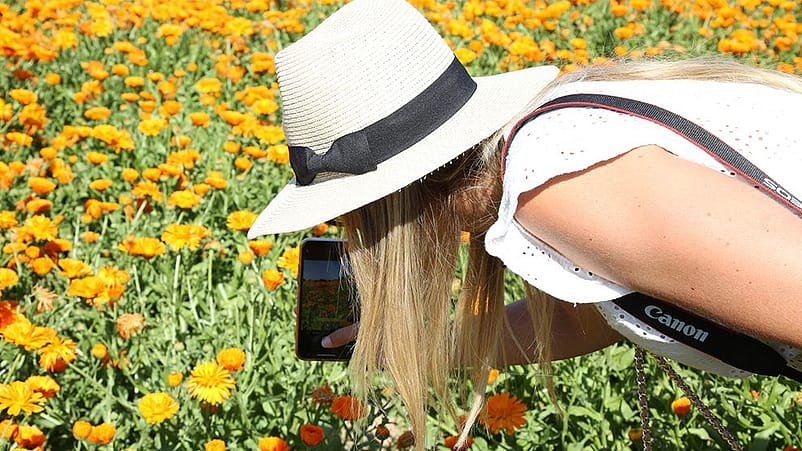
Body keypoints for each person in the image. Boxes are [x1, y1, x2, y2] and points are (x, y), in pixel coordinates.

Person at [247, 0, 802, 447]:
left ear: (388, 201)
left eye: (348, 212)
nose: (349, 230)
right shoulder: (541, 155)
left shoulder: (556, 179)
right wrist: (417, 346)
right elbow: (589, 320)